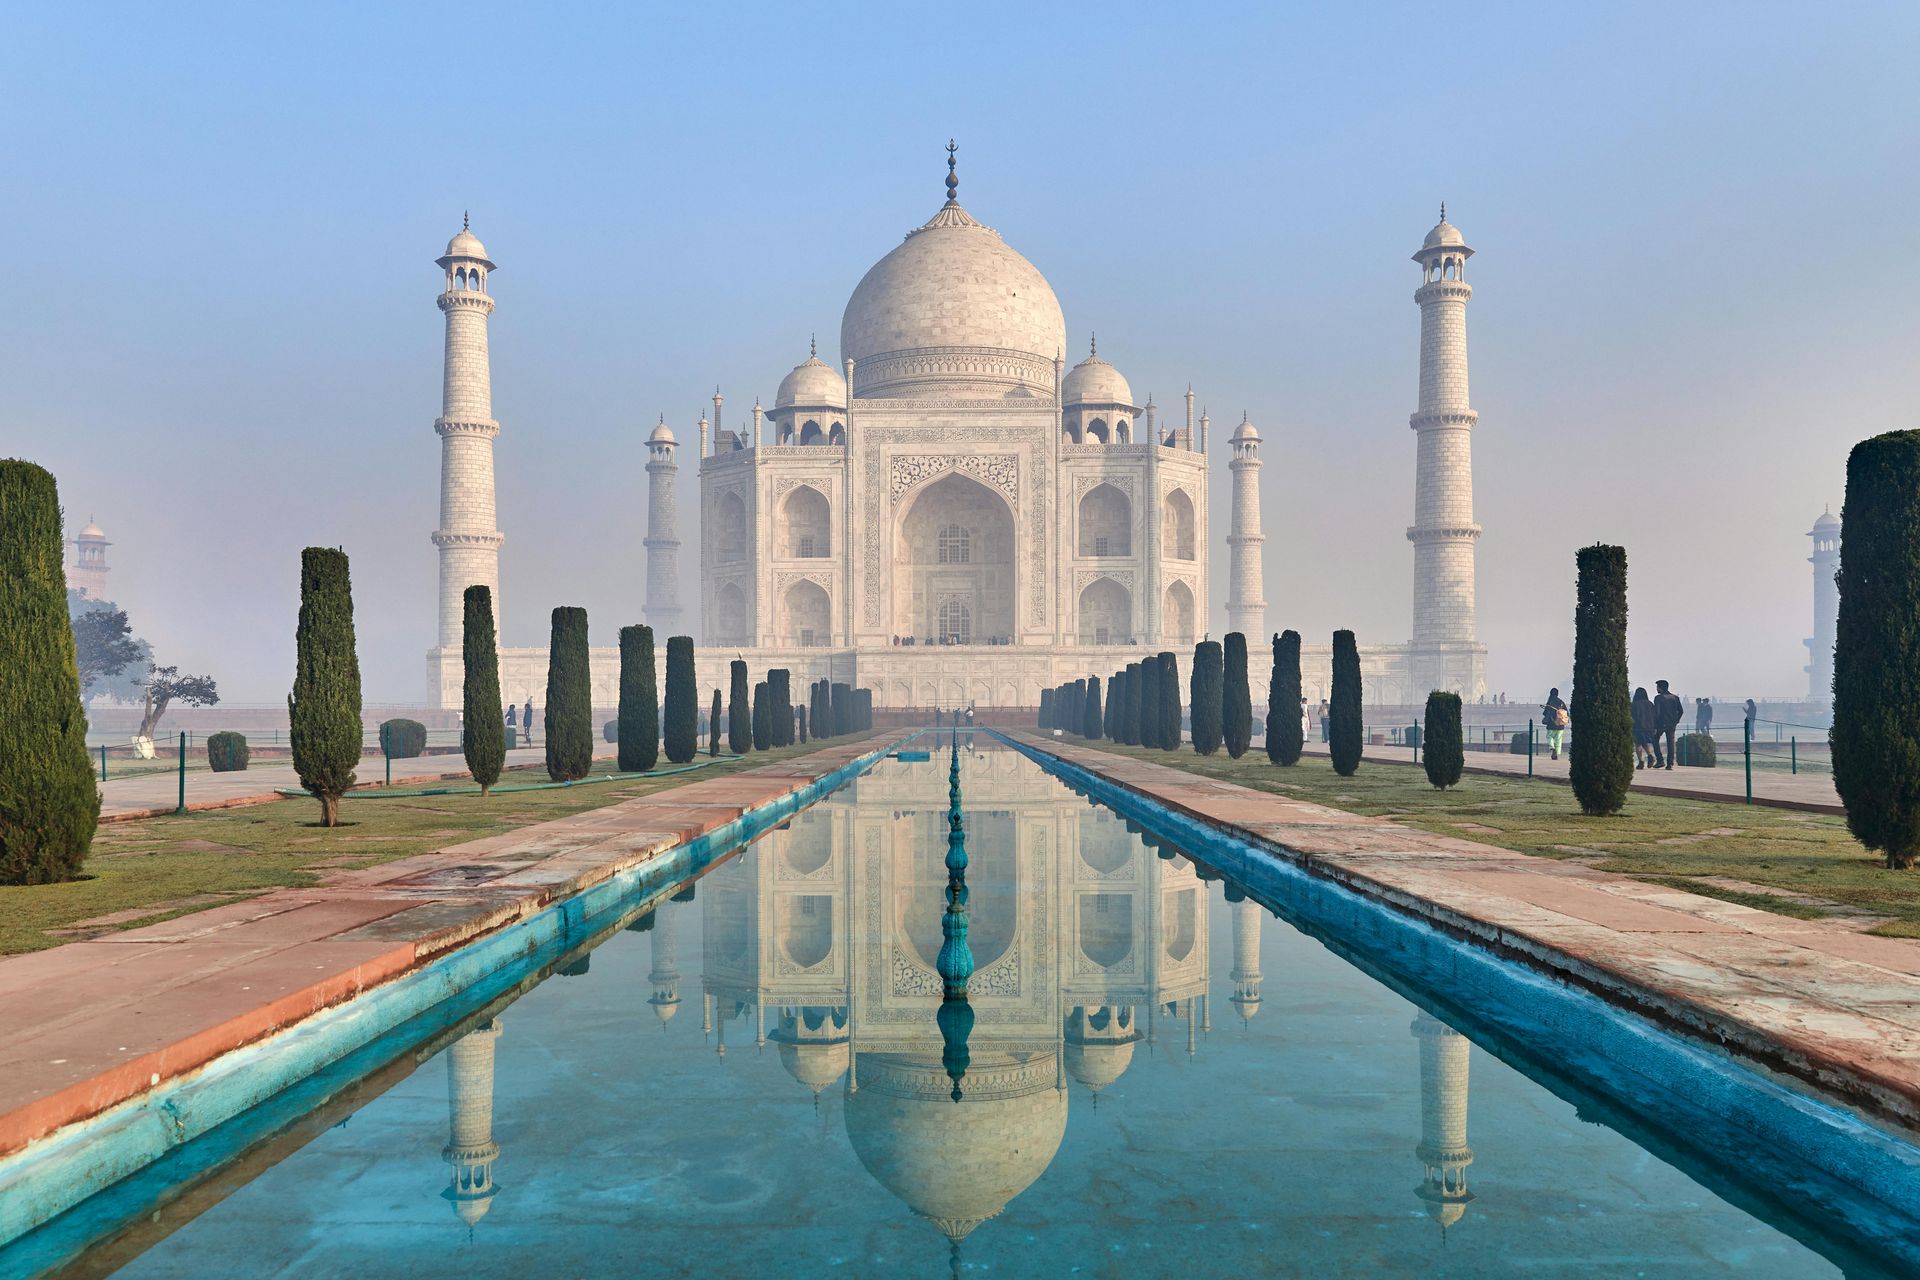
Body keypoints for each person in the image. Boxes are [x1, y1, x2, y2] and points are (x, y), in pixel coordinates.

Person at [1653, 680, 1684, 769]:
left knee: (1654, 739)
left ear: (1660, 688)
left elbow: (1657, 713)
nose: (1656, 689)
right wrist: (1676, 720)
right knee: (1670, 743)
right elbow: (1681, 711)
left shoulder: (1659, 698)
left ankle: (1660, 760)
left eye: (1657, 687)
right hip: (1672, 724)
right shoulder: (1675, 697)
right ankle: (1670, 764)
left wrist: (1655, 725)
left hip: (1661, 723)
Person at [1631, 687, 1657, 770]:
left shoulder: (1634, 704)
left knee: (1638, 744)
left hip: (1637, 727)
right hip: (1649, 727)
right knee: (1645, 743)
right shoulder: (1650, 704)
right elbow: (1654, 716)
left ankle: (1641, 761)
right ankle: (1650, 755)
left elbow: (1631, 715)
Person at [1542, 688, 1569, 761]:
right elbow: (1567, 713)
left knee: (1549, 736)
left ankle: (1552, 748)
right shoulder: (1561, 702)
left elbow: (1545, 713)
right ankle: (1556, 753)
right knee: (1558, 739)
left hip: (1551, 724)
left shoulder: (1550, 702)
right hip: (1561, 725)